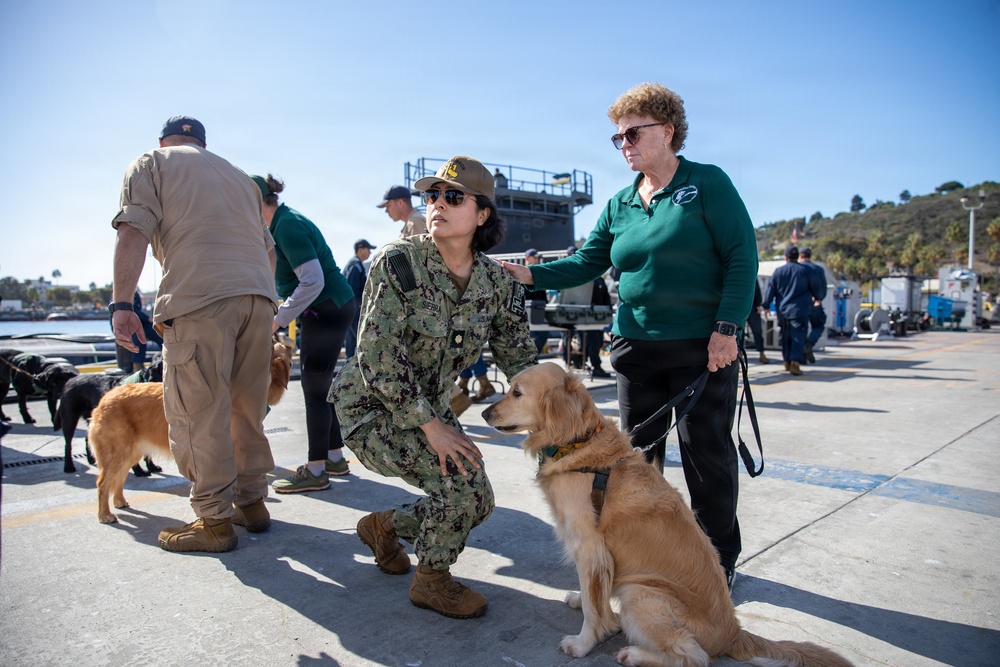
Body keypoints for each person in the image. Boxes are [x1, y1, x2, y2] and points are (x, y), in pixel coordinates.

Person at [500, 83, 757, 590]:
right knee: (632, 463)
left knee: (706, 454)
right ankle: (643, 553)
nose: (625, 144)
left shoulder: (707, 183)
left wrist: (726, 330)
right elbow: (585, 261)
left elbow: (741, 258)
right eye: (617, 137)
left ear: (667, 131)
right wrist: (526, 275)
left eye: (634, 132)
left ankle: (717, 560)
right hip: (635, 350)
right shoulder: (620, 202)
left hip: (700, 349)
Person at [330, 156, 536, 619]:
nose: (437, 204)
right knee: (462, 491)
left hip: (428, 409)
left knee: (478, 500)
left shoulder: (495, 283)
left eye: (453, 197)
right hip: (371, 407)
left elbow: (519, 358)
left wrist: (558, 407)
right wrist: (432, 426)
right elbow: (376, 357)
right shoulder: (398, 262)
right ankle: (432, 580)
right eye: (432, 196)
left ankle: (384, 527)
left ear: (482, 214)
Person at [110, 115, 278, 553]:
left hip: (200, 297)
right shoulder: (241, 178)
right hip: (259, 299)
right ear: (204, 144)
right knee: (246, 406)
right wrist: (261, 299)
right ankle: (252, 503)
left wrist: (123, 305)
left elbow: (134, 230)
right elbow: (268, 249)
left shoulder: (152, 162)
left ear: (164, 141)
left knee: (198, 410)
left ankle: (213, 520)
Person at [252, 174, 357, 492]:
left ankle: (315, 471)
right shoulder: (280, 223)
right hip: (327, 308)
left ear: (255, 202)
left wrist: (276, 319)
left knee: (313, 389)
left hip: (326, 308)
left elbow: (312, 279)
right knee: (320, 386)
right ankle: (335, 457)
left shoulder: (287, 225)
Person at [764, 245, 823, 376]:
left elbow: (770, 289)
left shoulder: (778, 271)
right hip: (800, 310)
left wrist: (766, 306)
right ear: (798, 257)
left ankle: (786, 361)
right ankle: (795, 362)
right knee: (798, 336)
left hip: (782, 310)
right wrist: (818, 298)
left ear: (785, 257)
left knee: (785, 335)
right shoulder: (806, 270)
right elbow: (816, 286)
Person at [113, 291, 163, 373]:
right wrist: (148, 318)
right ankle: (137, 366)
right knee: (138, 335)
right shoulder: (120, 293)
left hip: (140, 322)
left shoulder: (135, 294)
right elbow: (133, 311)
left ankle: (165, 355)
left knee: (156, 331)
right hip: (126, 323)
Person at [343, 239, 376, 359]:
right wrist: (359, 306)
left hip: (347, 308)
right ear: (360, 249)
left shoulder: (354, 264)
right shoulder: (356, 266)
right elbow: (352, 288)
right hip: (353, 308)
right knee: (360, 339)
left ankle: (349, 372)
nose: (370, 253)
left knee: (351, 343)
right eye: (368, 250)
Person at [799, 247, 827, 363]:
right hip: (815, 302)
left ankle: (800, 356)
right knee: (819, 325)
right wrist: (818, 298)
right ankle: (809, 344)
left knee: (801, 329)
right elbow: (823, 288)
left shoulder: (798, 268)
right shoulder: (818, 269)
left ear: (800, 256)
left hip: (800, 304)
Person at [523, 249, 550, 354]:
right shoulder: (521, 273)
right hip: (526, 311)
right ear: (527, 258)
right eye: (534, 257)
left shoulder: (539, 274)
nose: (536, 259)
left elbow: (543, 295)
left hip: (538, 310)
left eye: (537, 258)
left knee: (543, 334)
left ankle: (532, 356)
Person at [745, 280, 770, 364]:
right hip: (740, 306)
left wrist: (758, 304)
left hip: (752, 306)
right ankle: (739, 355)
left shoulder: (751, 274)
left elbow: (757, 290)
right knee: (738, 333)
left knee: (757, 331)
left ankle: (761, 353)